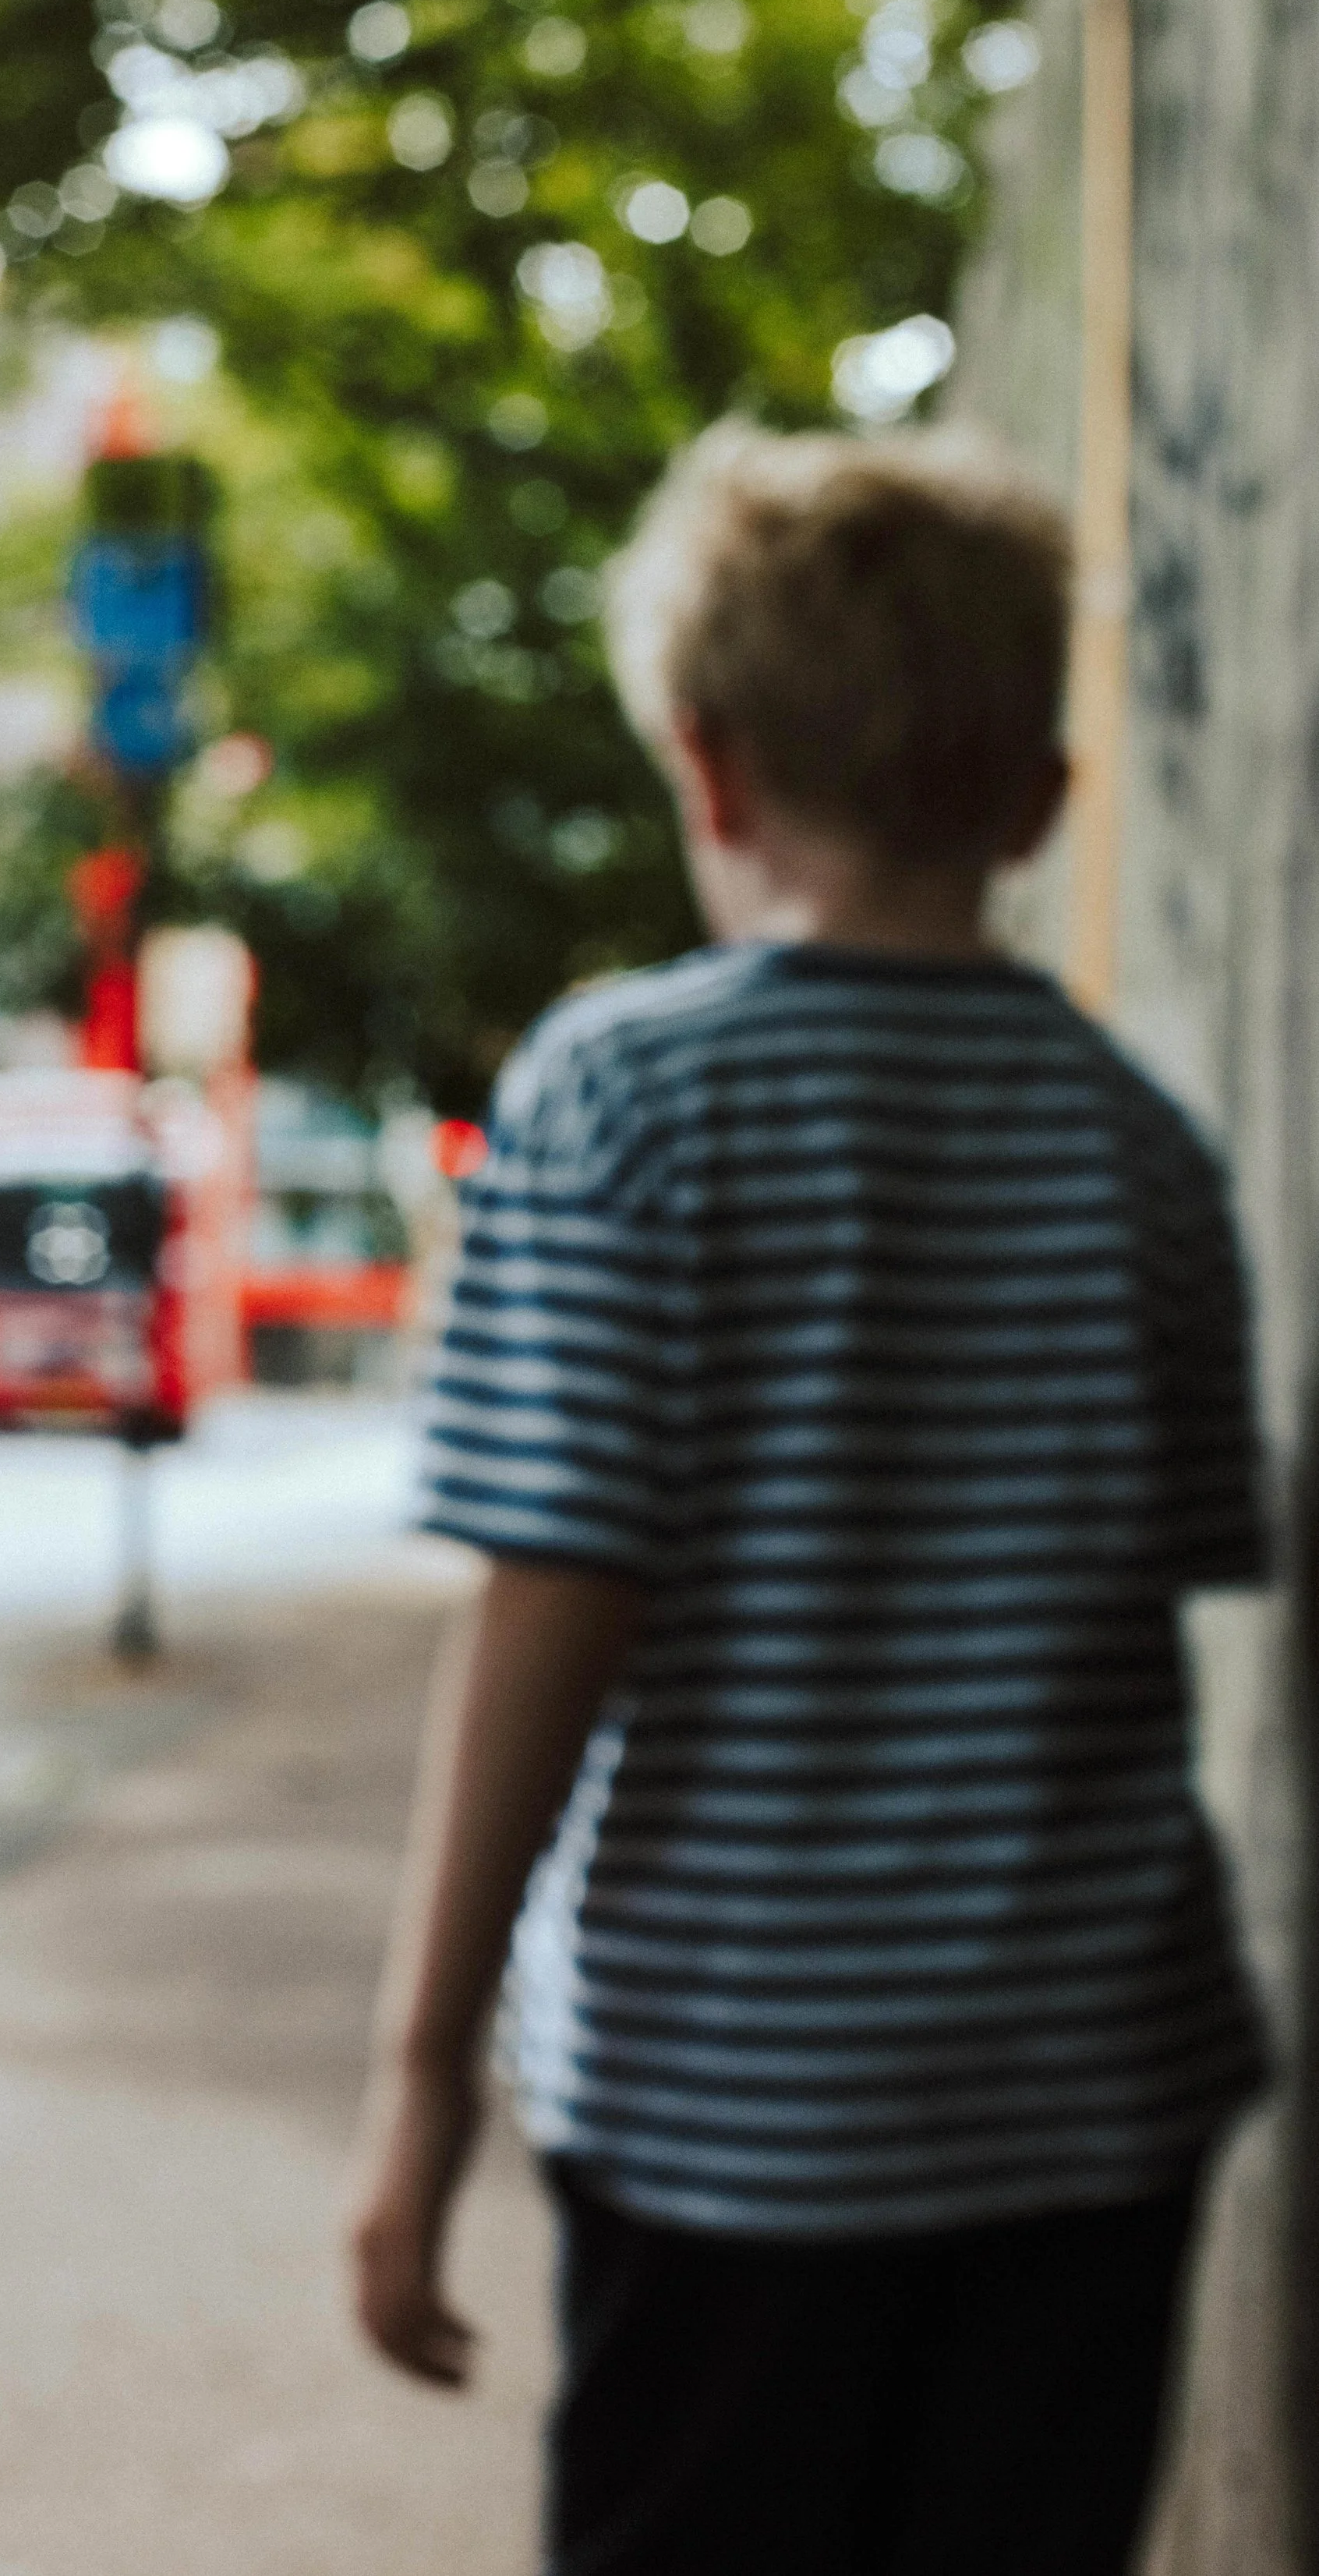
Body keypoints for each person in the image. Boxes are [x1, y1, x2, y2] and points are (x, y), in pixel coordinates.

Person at [348, 423, 1268, 2576]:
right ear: (1042, 800)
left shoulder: (620, 1094)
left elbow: (550, 1599)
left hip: (727, 2114)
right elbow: (1189, 1547)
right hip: (1091, 2095)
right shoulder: (1139, 1144)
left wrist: (417, 2064)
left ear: (707, 770)